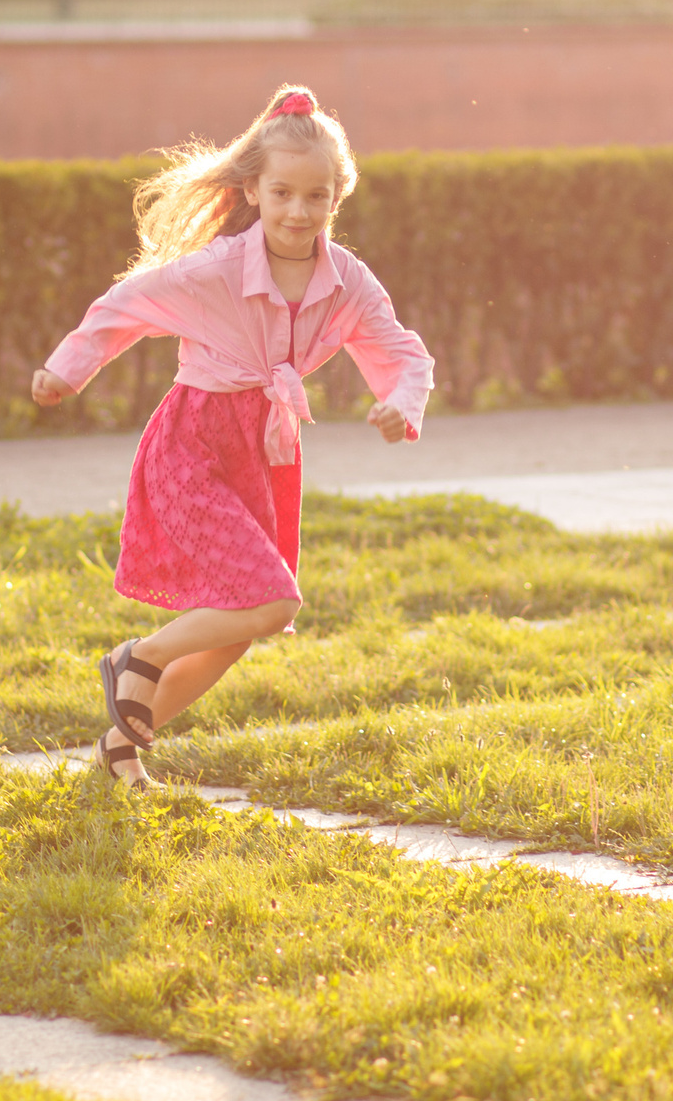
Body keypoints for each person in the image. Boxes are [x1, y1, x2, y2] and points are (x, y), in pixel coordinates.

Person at [30, 86, 434, 787]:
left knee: (242, 626)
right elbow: (128, 304)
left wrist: (399, 404)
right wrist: (68, 369)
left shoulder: (349, 283)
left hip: (266, 454)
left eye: (316, 196)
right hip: (193, 445)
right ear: (253, 188)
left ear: (339, 195)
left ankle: (116, 748)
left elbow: (405, 355)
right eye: (282, 192)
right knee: (273, 604)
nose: (298, 211)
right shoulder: (217, 268)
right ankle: (138, 657)